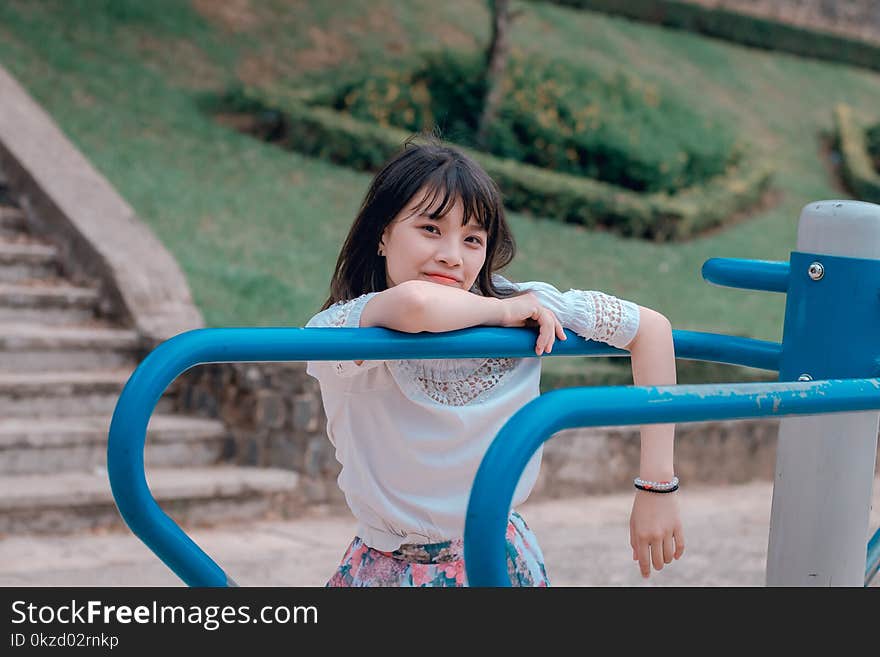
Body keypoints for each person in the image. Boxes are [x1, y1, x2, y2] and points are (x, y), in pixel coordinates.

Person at [305, 137, 684, 586]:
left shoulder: (527, 303)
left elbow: (652, 330)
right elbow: (414, 306)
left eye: (472, 239)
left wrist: (656, 487)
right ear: (383, 234)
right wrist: (503, 312)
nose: (452, 255)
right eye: (430, 228)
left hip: (500, 558)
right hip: (394, 567)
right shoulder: (345, 325)